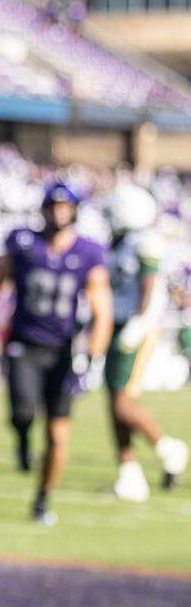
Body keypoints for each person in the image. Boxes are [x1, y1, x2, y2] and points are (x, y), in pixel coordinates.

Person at [0, 181, 113, 525]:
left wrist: (94, 359)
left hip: (62, 352)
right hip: (24, 344)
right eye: (53, 206)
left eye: (65, 206)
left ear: (75, 211)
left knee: (57, 435)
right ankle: (22, 437)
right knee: (24, 413)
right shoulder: (24, 243)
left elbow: (102, 313)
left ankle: (42, 500)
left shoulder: (88, 252)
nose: (59, 212)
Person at [103, 184, 187, 500]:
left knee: (123, 403)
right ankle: (129, 473)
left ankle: (168, 448)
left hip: (137, 327)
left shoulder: (144, 241)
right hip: (117, 324)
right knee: (114, 403)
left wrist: (137, 324)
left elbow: (150, 288)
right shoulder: (122, 243)